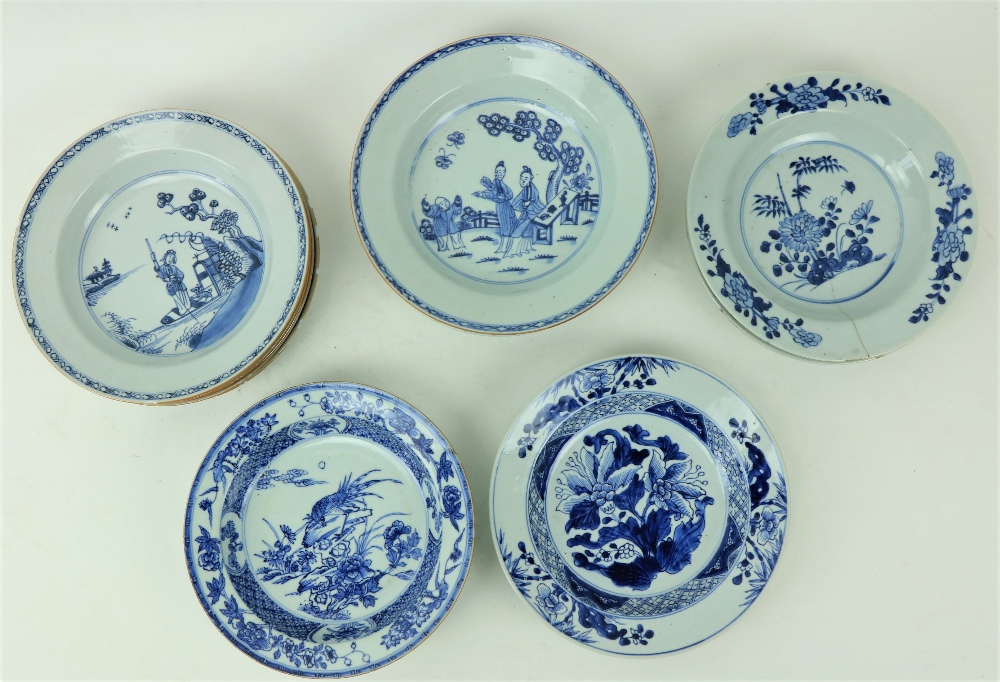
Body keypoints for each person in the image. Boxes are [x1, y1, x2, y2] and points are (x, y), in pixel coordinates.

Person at [473, 161, 516, 254]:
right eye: (499, 172)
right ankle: (503, 247)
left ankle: (506, 247)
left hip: (506, 207)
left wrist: (504, 197)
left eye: (503, 172)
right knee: (504, 226)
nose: (501, 174)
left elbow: (510, 194)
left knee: (508, 226)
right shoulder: (495, 183)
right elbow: (491, 194)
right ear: (495, 173)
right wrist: (481, 193)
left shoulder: (501, 183)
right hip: (501, 208)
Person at [507, 166, 546, 257]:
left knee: (522, 232)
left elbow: (534, 201)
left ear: (530, 179)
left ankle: (521, 250)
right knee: (518, 232)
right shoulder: (525, 190)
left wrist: (527, 204)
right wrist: (525, 204)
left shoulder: (533, 190)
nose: (523, 180)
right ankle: (513, 251)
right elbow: (516, 202)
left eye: (526, 178)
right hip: (528, 214)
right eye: (521, 178)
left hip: (532, 214)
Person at [154, 249, 191, 315]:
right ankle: (182, 310)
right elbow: (158, 272)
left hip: (179, 285)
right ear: (165, 257)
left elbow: (181, 274)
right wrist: (154, 260)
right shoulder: (161, 268)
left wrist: (176, 278)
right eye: (169, 257)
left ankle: (187, 307)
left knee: (187, 303)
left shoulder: (173, 267)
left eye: (172, 258)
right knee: (180, 304)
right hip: (171, 286)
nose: (171, 259)